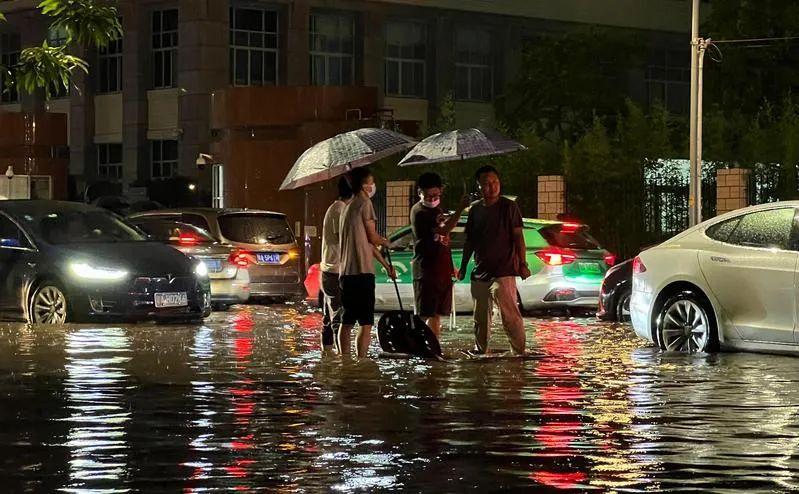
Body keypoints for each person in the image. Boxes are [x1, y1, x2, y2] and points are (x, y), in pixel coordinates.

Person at [458, 165, 531, 355]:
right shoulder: (474, 211)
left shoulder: (509, 207)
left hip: (504, 271)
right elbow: (470, 241)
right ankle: (481, 352)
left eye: (495, 182)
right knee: (480, 318)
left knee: (510, 316)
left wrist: (522, 264)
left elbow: (518, 238)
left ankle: (519, 352)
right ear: (479, 186)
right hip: (481, 271)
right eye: (486, 183)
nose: (492, 187)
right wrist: (463, 266)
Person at [338, 167, 396, 357]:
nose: (373, 185)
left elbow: (366, 244)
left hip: (346, 274)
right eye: (371, 181)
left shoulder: (348, 208)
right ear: (364, 185)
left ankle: (345, 362)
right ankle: (361, 362)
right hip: (362, 273)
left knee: (346, 322)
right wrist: (386, 241)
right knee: (366, 322)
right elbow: (372, 238)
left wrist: (386, 266)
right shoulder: (365, 204)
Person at [410, 172, 469, 338]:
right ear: (420, 192)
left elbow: (444, 241)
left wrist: (451, 267)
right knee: (424, 313)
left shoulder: (437, 210)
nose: (432, 198)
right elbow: (443, 230)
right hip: (426, 271)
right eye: (428, 195)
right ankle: (416, 344)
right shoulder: (419, 212)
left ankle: (433, 348)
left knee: (436, 314)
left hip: (441, 271)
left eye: (436, 195)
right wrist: (459, 209)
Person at [319, 176, 353, 353]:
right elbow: (344, 239)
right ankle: (343, 362)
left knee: (329, 317)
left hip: (329, 270)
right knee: (338, 318)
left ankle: (328, 356)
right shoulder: (339, 210)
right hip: (335, 271)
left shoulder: (336, 208)